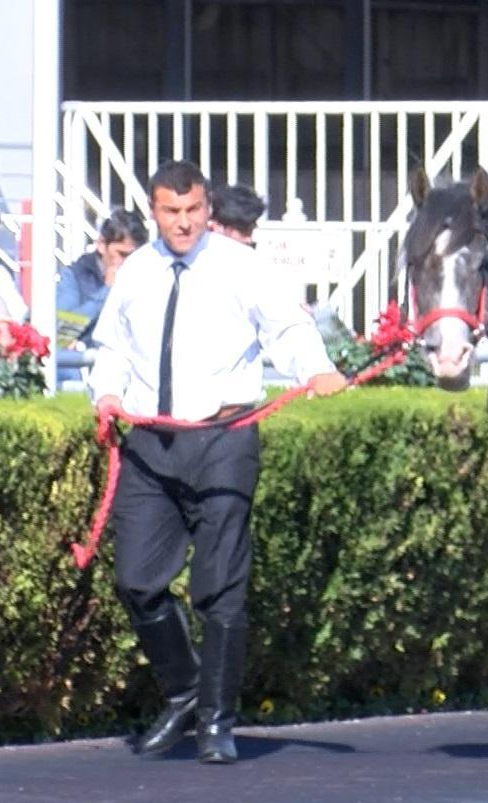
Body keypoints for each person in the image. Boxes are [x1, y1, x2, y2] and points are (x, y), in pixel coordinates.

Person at [89, 159, 348, 765]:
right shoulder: (138, 272)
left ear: (207, 209)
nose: (184, 223)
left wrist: (314, 368)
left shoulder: (242, 266)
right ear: (153, 211)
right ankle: (183, 693)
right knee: (136, 580)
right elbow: (111, 347)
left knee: (219, 589)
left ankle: (215, 722)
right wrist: (104, 392)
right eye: (171, 212)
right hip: (151, 444)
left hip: (225, 438)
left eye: (194, 211)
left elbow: (287, 327)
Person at [57, 208, 147, 345]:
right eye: (122, 255)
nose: (129, 263)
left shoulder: (147, 279)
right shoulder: (75, 276)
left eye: (135, 256)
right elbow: (62, 334)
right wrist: (106, 292)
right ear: (101, 245)